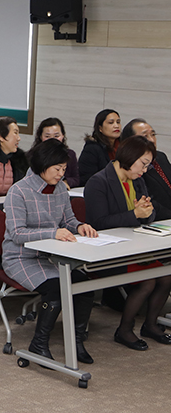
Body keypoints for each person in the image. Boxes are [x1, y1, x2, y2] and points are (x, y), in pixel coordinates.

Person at [2, 138, 98, 364]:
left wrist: (80, 226)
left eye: (64, 169)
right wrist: (52, 232)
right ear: (42, 165)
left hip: (52, 256)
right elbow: (17, 233)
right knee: (56, 288)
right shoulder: (19, 191)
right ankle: (38, 344)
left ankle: (75, 340)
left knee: (84, 287)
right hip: (21, 257)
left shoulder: (60, 190)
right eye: (57, 169)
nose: (61, 175)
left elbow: (69, 220)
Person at [84, 135, 171, 350]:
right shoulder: (98, 182)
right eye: (143, 164)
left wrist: (146, 212)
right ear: (130, 157)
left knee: (166, 277)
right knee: (147, 281)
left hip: (133, 246)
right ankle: (124, 329)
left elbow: (145, 213)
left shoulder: (137, 180)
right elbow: (99, 223)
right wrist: (135, 214)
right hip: (107, 251)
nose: (145, 170)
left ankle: (150, 325)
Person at [122, 118, 171, 220]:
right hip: (156, 219)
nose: (152, 140)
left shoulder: (160, 157)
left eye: (153, 135)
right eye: (145, 136)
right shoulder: (130, 167)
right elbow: (147, 199)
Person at [33, 117, 79, 188]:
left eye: (56, 136)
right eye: (47, 136)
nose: (52, 139)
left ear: (63, 136)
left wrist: (64, 182)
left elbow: (76, 179)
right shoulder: (33, 155)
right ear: (40, 137)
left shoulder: (70, 154)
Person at [79, 109, 121, 184]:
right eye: (111, 123)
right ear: (100, 128)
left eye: (118, 122)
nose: (116, 126)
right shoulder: (92, 148)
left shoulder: (123, 146)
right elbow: (87, 177)